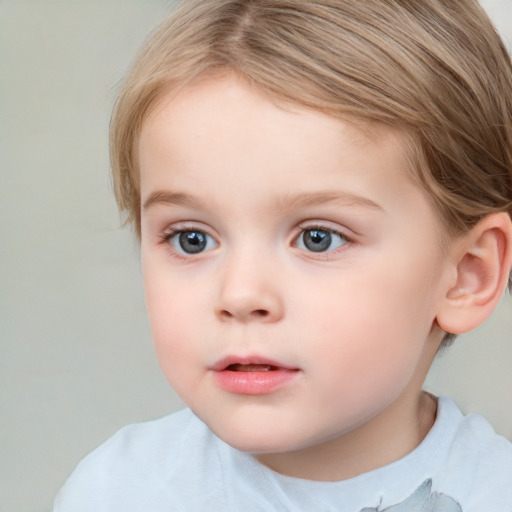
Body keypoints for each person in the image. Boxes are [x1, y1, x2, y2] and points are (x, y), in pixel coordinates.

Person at [54, 1, 512, 510]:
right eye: (192, 239)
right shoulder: (118, 493)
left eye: (319, 237)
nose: (241, 294)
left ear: (468, 276)